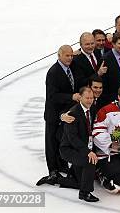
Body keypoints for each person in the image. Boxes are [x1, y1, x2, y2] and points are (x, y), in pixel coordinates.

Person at [37, 45, 81, 187]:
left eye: (71, 56)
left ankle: (61, 164)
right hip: (53, 113)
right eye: (67, 56)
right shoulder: (53, 72)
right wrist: (71, 97)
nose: (70, 58)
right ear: (59, 55)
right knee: (51, 142)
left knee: (62, 138)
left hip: (66, 110)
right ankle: (53, 170)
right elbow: (52, 96)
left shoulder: (71, 66)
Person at [59, 87, 99, 202]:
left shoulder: (92, 109)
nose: (90, 100)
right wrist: (88, 152)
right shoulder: (73, 113)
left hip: (82, 146)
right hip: (69, 149)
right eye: (87, 98)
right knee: (90, 161)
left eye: (92, 98)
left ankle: (56, 179)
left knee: (78, 182)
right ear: (80, 97)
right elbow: (72, 138)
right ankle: (84, 193)